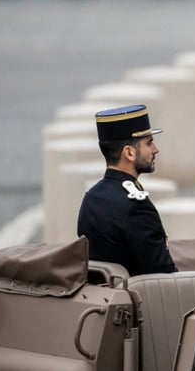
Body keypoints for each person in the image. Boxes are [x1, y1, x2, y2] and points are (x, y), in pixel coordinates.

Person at [77, 104, 177, 276]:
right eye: (149, 143)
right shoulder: (136, 207)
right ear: (129, 153)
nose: (155, 149)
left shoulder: (91, 198)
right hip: (137, 292)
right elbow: (162, 274)